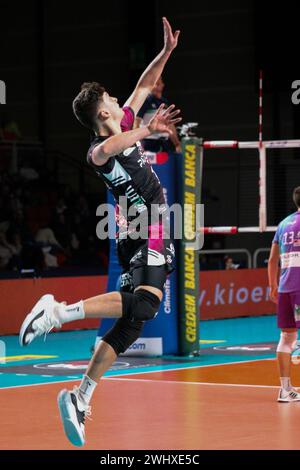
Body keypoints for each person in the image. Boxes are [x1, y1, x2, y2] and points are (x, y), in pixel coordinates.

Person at [19, 17, 181, 447]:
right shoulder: (98, 152)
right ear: (103, 113)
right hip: (148, 227)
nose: (118, 98)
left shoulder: (124, 118)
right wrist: (150, 128)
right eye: (111, 97)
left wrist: (164, 54)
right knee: (145, 307)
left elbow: (144, 87)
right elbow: (110, 148)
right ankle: (58, 312)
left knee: (130, 324)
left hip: (144, 228)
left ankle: (80, 396)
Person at [268, 186, 300, 402]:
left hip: (285, 287)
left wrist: (272, 286)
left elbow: (272, 260)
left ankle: (285, 390)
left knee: (286, 339)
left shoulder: (283, 224)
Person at [135, 76, 182, 153]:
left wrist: (177, 143)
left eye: (158, 83)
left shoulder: (164, 102)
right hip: (148, 143)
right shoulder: (145, 100)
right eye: (153, 83)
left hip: (163, 144)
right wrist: (137, 144)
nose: (156, 86)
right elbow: (136, 122)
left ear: (162, 85)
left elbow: (170, 125)